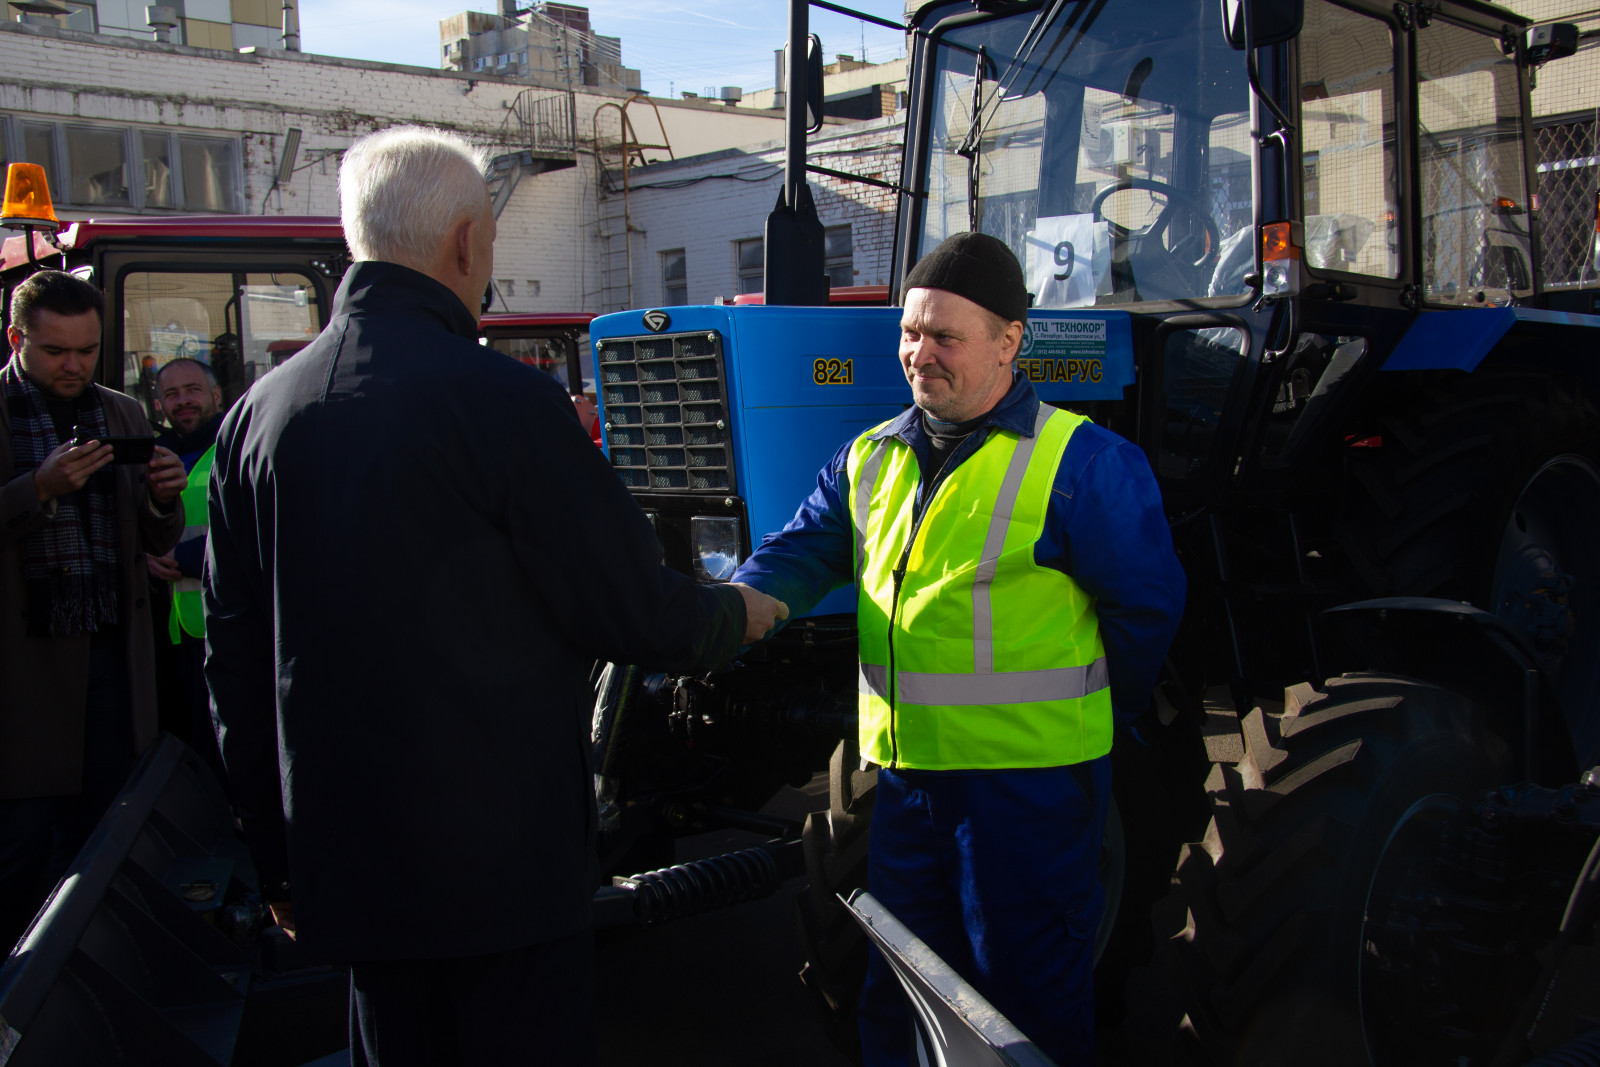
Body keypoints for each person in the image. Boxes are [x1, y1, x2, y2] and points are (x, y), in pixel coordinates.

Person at [203, 125, 786, 1067]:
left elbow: (232, 670)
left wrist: (280, 859)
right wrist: (741, 613)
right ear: (467, 241)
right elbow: (631, 609)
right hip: (503, 877)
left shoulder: (256, 419)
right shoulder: (507, 404)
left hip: (348, 870)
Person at [728, 232, 1186, 1065]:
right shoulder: (870, 457)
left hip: (1028, 797)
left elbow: (1145, 612)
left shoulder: (1081, 464)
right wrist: (737, 606)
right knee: (899, 995)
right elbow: (801, 552)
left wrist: (1085, 724)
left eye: (944, 336)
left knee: (1023, 1011)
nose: (918, 353)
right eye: (910, 331)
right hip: (906, 787)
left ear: (1010, 341)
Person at [0, 270, 187, 950]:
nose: (74, 364)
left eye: (86, 349)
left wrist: (164, 498)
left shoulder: (121, 412)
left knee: (107, 835)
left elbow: (151, 538)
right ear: (18, 339)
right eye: (56, 352)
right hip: (24, 680)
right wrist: (36, 490)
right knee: (23, 849)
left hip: (113, 663)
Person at [146, 357, 225, 777]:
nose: (183, 402)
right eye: (171, 395)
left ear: (215, 395)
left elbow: (259, 532)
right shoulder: (156, 457)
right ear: (159, 405)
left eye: (192, 390)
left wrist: (186, 560)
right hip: (177, 634)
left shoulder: (235, 446)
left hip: (228, 628)